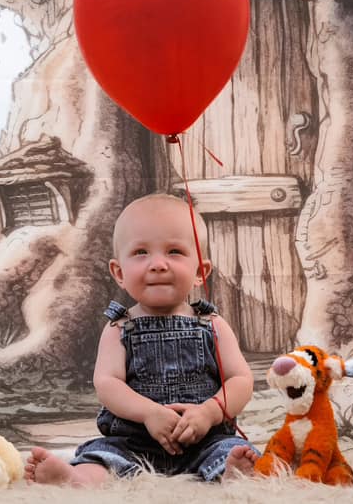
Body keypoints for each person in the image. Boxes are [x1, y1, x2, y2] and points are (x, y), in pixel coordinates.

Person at [26, 193, 258, 485]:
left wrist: (210, 412)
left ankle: (231, 473)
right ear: (119, 273)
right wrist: (149, 413)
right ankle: (78, 478)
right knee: (103, 456)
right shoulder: (119, 327)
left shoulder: (212, 324)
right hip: (134, 442)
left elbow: (240, 380)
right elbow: (107, 383)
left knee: (231, 450)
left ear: (201, 271)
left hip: (204, 440)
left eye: (174, 251)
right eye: (141, 253)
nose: (158, 264)